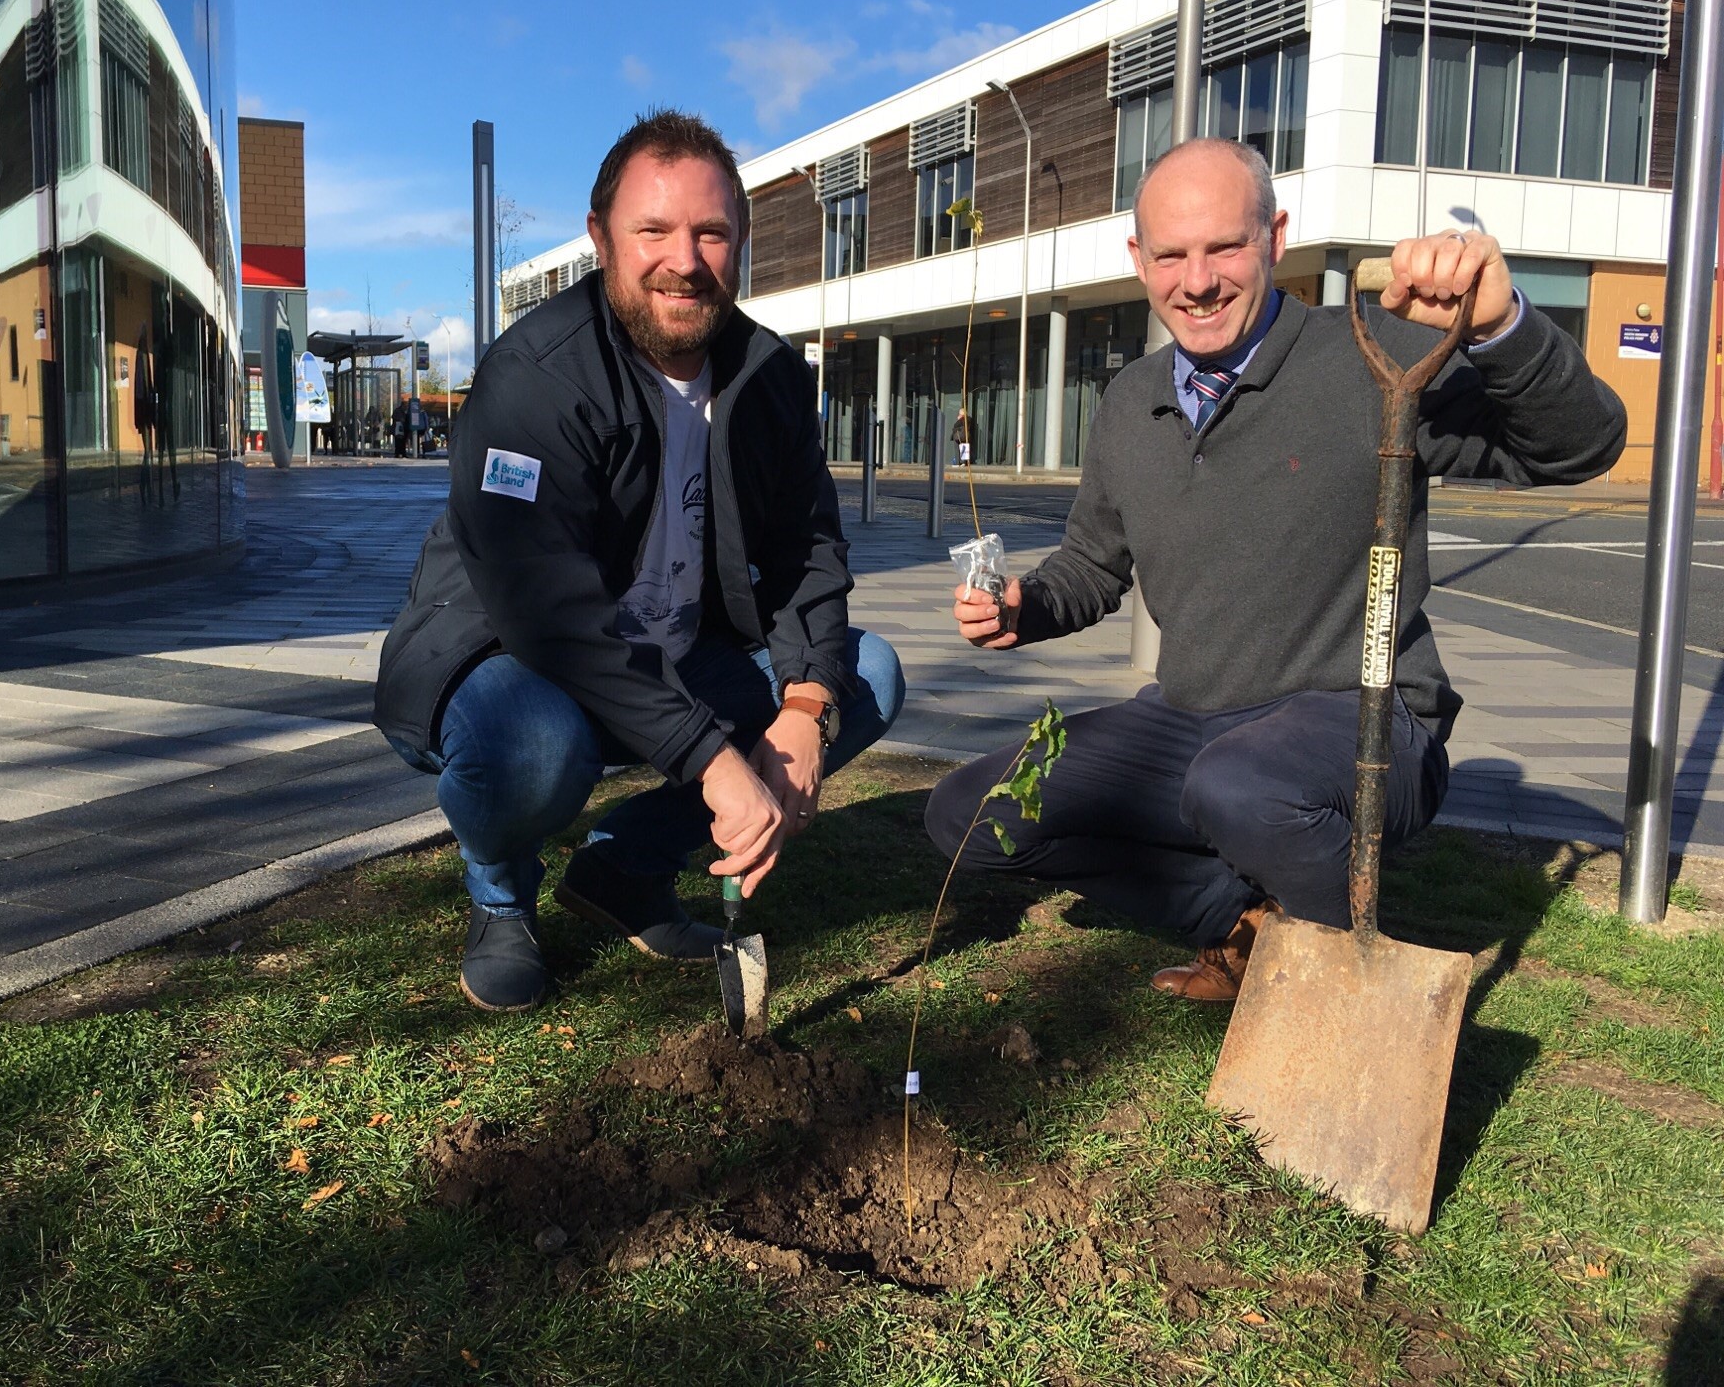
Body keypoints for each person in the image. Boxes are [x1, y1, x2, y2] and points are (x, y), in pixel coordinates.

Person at [925, 137, 1625, 1002]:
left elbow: (1578, 446)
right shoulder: (1129, 402)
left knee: (1241, 787)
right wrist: (1026, 605)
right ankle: (1241, 922)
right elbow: (1090, 567)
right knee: (970, 813)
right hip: (1191, 722)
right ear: (1138, 261)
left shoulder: (1373, 356)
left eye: (1224, 246)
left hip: (1364, 719)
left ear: (1274, 238)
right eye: (1172, 254)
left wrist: (1501, 323)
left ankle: (1338, 995)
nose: (1198, 280)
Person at [375, 109, 906, 1012]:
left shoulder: (768, 377)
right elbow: (547, 609)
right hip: (514, 658)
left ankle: (624, 869)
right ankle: (502, 897)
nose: (684, 259)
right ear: (600, 239)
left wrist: (806, 706)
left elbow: (807, 549)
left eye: (710, 232)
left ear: (738, 243)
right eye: (652, 231)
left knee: (871, 678)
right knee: (533, 747)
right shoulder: (535, 378)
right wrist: (712, 758)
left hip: (672, 653)